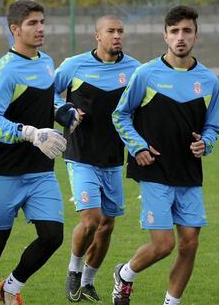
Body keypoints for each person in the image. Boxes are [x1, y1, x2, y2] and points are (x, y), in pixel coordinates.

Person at [111, 6, 219, 305]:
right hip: (155, 169)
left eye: (186, 31)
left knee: (190, 243)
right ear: (165, 36)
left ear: (196, 36)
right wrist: (138, 147)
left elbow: (213, 126)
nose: (180, 37)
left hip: (189, 171)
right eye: (174, 31)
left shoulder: (209, 80)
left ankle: (171, 302)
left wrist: (205, 144)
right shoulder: (145, 74)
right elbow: (121, 116)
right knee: (163, 245)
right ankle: (125, 274)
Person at [0, 0, 70, 305]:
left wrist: (62, 111)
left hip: (40, 170)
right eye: (32, 23)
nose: (40, 28)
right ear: (15, 29)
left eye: (42, 22)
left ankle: (11, 288)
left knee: (53, 236)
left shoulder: (46, 61)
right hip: (4, 171)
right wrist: (27, 132)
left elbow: (43, 101)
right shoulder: (5, 70)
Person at [53, 15, 140, 303]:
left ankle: (89, 282)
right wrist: (64, 109)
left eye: (120, 31)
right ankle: (74, 270)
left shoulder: (134, 70)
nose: (117, 36)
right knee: (90, 220)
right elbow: (47, 92)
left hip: (114, 157)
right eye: (111, 31)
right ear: (97, 36)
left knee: (107, 225)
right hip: (80, 155)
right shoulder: (73, 65)